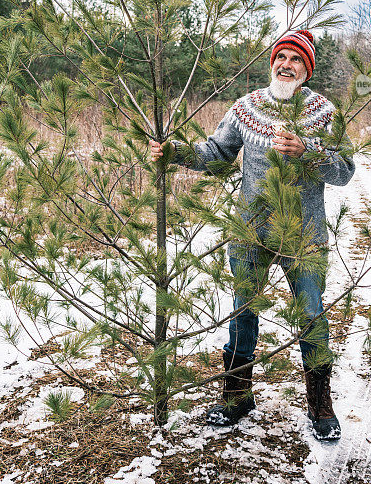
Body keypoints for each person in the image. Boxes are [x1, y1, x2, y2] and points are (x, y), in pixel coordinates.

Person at [150, 29, 355, 441]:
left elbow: (346, 171)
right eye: (282, 57)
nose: (287, 64)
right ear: (272, 62)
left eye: (297, 59)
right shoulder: (246, 108)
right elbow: (216, 152)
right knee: (242, 316)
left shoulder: (325, 113)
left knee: (311, 316)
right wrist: (175, 153)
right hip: (250, 234)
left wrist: (309, 153)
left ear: (306, 70)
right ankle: (237, 397)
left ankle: (320, 406)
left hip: (304, 237)